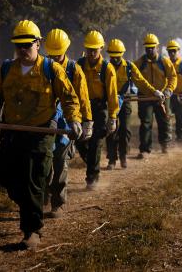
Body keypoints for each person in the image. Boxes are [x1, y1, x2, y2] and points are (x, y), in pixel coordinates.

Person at [0, 20, 82, 250]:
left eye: (27, 45)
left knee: (33, 181)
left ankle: (32, 230)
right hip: (11, 134)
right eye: (19, 45)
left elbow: (68, 97)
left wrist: (75, 119)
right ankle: (29, 204)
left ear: (38, 43)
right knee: (6, 176)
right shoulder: (7, 69)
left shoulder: (51, 69)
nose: (23, 49)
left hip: (41, 135)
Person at [43, 28, 92, 218]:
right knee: (45, 160)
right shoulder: (43, 67)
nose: (54, 57)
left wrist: (87, 121)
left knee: (60, 161)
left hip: (66, 122)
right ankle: (44, 196)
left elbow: (83, 98)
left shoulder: (74, 69)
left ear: (65, 49)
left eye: (58, 54)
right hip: (46, 121)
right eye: (51, 54)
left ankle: (59, 203)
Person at [105, 38, 163, 168]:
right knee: (111, 130)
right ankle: (112, 159)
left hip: (125, 101)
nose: (115, 59)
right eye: (112, 56)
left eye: (117, 56)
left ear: (122, 54)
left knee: (125, 129)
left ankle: (123, 156)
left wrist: (154, 92)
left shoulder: (129, 67)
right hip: (109, 102)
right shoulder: (105, 66)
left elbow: (141, 81)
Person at [76, 30, 119, 190]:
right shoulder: (79, 65)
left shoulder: (107, 69)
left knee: (95, 142)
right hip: (81, 109)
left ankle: (92, 177)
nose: (92, 53)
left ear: (101, 48)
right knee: (79, 140)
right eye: (89, 49)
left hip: (100, 109)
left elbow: (113, 95)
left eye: (95, 49)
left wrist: (113, 117)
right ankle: (93, 163)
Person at [134, 33, 177, 157]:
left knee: (164, 121)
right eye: (147, 47)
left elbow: (173, 77)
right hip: (145, 96)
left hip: (162, 97)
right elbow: (134, 77)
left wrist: (169, 90)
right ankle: (145, 150)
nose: (150, 49)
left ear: (157, 47)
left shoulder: (164, 62)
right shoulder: (139, 63)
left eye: (152, 47)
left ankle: (165, 144)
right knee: (146, 122)